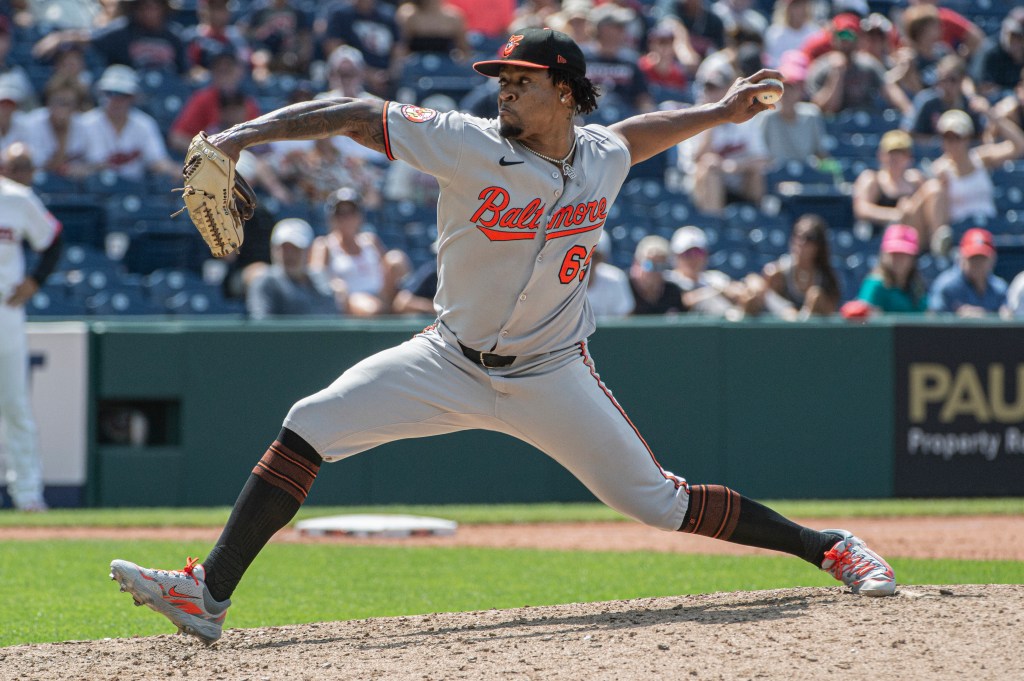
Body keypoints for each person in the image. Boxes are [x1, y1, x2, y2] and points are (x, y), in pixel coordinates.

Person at [109, 27, 896, 644]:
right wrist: (243, 135)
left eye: (518, 82)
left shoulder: (600, 155)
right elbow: (353, 115)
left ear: (563, 90)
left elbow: (643, 130)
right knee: (310, 421)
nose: (503, 92)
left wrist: (721, 114)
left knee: (660, 501)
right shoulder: (464, 139)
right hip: (445, 357)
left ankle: (827, 545)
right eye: (501, 81)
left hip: (552, 371)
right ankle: (207, 594)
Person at [0, 143, 63, 512]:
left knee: (14, 405)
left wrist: (35, 281)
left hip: (5, 310)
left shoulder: (17, 199)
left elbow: (53, 239)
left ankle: (27, 494)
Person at [905, 108, 1024, 254]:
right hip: (960, 237)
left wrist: (993, 116)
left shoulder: (982, 159)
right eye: (947, 137)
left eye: (957, 137)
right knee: (932, 188)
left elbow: (1019, 145)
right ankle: (938, 247)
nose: (952, 143)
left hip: (988, 230)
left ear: (967, 137)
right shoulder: (939, 170)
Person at [308, 187, 408, 316]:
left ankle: (407, 302)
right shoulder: (324, 244)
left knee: (396, 259)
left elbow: (385, 269)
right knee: (373, 309)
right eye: (341, 213)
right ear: (332, 218)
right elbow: (316, 275)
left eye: (352, 212)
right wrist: (334, 285)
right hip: (352, 299)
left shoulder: (370, 240)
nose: (347, 218)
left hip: (382, 296)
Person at [80, 64, 179, 182]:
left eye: (123, 95)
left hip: (133, 188)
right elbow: (71, 164)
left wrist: (177, 171)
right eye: (110, 93)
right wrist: (92, 169)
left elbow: (157, 161)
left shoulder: (144, 124)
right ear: (101, 94)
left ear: (132, 97)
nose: (116, 100)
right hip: (94, 190)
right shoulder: (85, 123)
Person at [246, 218, 345, 319]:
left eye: (296, 249)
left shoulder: (321, 280)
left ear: (309, 252)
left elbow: (331, 320)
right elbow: (262, 328)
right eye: (284, 249)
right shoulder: (265, 282)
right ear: (273, 251)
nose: (289, 255)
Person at [168, 49, 261, 154]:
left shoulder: (248, 103)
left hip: (245, 161)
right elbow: (177, 138)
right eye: (220, 70)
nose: (224, 76)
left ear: (239, 72)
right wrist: (210, 153)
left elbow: (258, 143)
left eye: (228, 70)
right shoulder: (202, 99)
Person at [757, 213, 841, 319]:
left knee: (816, 295)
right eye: (797, 235)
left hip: (814, 334)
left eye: (809, 238)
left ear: (819, 245)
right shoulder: (776, 274)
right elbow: (764, 302)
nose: (800, 242)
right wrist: (786, 310)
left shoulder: (827, 278)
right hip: (782, 332)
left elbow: (830, 313)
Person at [667, 224, 760, 318]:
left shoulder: (713, 278)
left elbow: (737, 291)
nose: (693, 258)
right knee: (710, 301)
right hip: (687, 329)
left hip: (721, 322)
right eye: (687, 253)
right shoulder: (669, 280)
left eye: (698, 252)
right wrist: (717, 291)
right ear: (676, 256)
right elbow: (685, 301)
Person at [758, 49, 828, 166]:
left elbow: (820, 154)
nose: (786, 93)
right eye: (781, 88)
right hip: (776, 179)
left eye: (791, 87)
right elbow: (761, 155)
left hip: (806, 177)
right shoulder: (766, 117)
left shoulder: (811, 114)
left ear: (800, 90)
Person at [852, 129, 925, 232]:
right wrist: (896, 214)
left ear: (909, 157)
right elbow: (861, 209)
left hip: (910, 237)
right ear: (881, 155)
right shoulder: (871, 179)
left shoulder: (916, 180)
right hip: (878, 237)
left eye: (901, 153)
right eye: (891, 153)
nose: (895, 158)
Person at [928, 227, 1007, 317]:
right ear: (962, 258)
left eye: (982, 258)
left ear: (992, 259)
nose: (978, 264)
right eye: (973, 259)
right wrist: (959, 319)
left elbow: (1007, 318)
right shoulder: (946, 286)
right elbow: (932, 320)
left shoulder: (999, 288)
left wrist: (988, 316)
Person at [855, 223, 927, 313]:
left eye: (904, 254)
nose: (899, 259)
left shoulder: (916, 286)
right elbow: (864, 323)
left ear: (913, 257)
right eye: (894, 253)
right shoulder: (875, 285)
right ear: (884, 255)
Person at [972, 9, 1024, 98]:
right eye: (1012, 35)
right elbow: (984, 88)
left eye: (1019, 37)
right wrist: (1012, 96)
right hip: (991, 104)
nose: (1014, 41)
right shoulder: (990, 51)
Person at [586, 231, 634, 317]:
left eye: (595, 256)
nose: (590, 261)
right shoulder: (559, 281)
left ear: (603, 258)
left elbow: (624, 319)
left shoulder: (615, 278)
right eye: (585, 256)